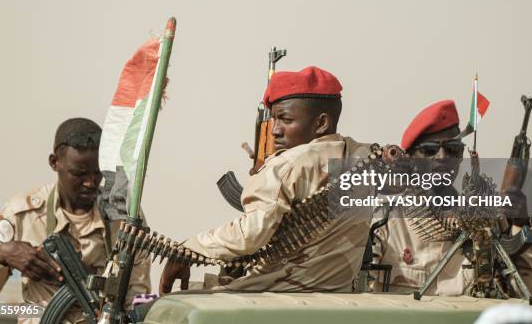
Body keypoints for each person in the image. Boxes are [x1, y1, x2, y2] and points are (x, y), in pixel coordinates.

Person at [159, 66, 373, 293]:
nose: (275, 131)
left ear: (321, 123)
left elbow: (250, 235)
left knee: (158, 307)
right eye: (274, 120)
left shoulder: (288, 165)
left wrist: (187, 250)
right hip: (333, 296)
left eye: (285, 119)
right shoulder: (364, 160)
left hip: (274, 294)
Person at [0, 118, 151, 320]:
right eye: (79, 174)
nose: (90, 183)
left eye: (97, 173)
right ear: (54, 163)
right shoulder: (22, 213)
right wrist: (2, 255)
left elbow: (138, 294)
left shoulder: (123, 218)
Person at [371, 100, 532, 296]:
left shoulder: (484, 220)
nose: (443, 156)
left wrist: (520, 223)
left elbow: (523, 292)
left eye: (453, 149)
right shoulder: (385, 218)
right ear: (410, 157)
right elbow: (360, 290)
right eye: (430, 150)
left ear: (462, 154)